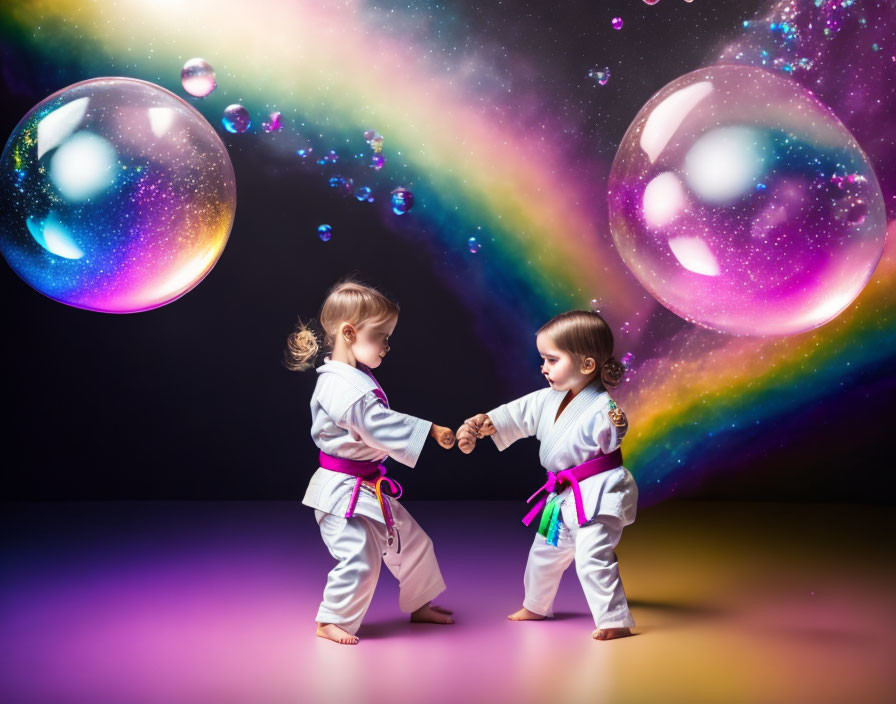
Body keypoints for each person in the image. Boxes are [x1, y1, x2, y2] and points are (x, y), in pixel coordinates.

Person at [286, 279, 456, 645]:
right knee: (361, 554)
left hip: (364, 486)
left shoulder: (354, 377)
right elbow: (376, 426)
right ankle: (331, 619)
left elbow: (375, 425)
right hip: (340, 492)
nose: (387, 346)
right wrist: (428, 431)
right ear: (349, 333)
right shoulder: (340, 386)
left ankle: (420, 603)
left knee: (413, 543)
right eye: (382, 336)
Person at [457, 310, 637, 640]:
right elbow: (515, 415)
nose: (543, 367)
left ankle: (614, 619)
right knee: (544, 551)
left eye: (552, 360)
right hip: (560, 496)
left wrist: (616, 423)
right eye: (543, 359)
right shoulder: (546, 399)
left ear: (586, 365)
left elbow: (612, 436)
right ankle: (536, 605)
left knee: (591, 555)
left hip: (596, 494)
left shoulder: (602, 407)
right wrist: (485, 424)